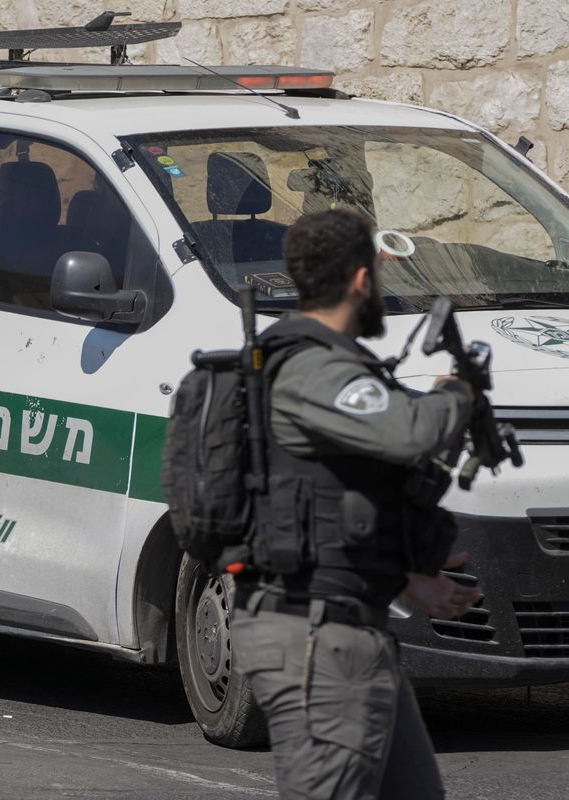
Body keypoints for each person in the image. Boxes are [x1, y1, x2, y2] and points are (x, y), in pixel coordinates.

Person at [230, 208, 482, 799]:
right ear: (363, 280)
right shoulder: (314, 368)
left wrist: (408, 578)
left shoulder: (324, 365)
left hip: (351, 629)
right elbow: (407, 432)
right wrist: (457, 396)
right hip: (317, 642)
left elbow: (324, 505)